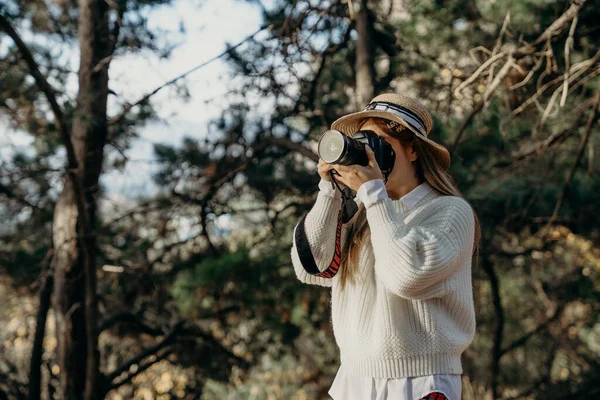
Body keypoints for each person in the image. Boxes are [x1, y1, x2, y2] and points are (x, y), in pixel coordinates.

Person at [290, 93, 481, 400]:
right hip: (355, 378)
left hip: (419, 381)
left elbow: (406, 276)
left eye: (381, 143)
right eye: (364, 143)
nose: (371, 154)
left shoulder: (449, 212)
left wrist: (373, 193)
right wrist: (329, 190)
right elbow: (312, 268)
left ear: (413, 150)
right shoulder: (366, 211)